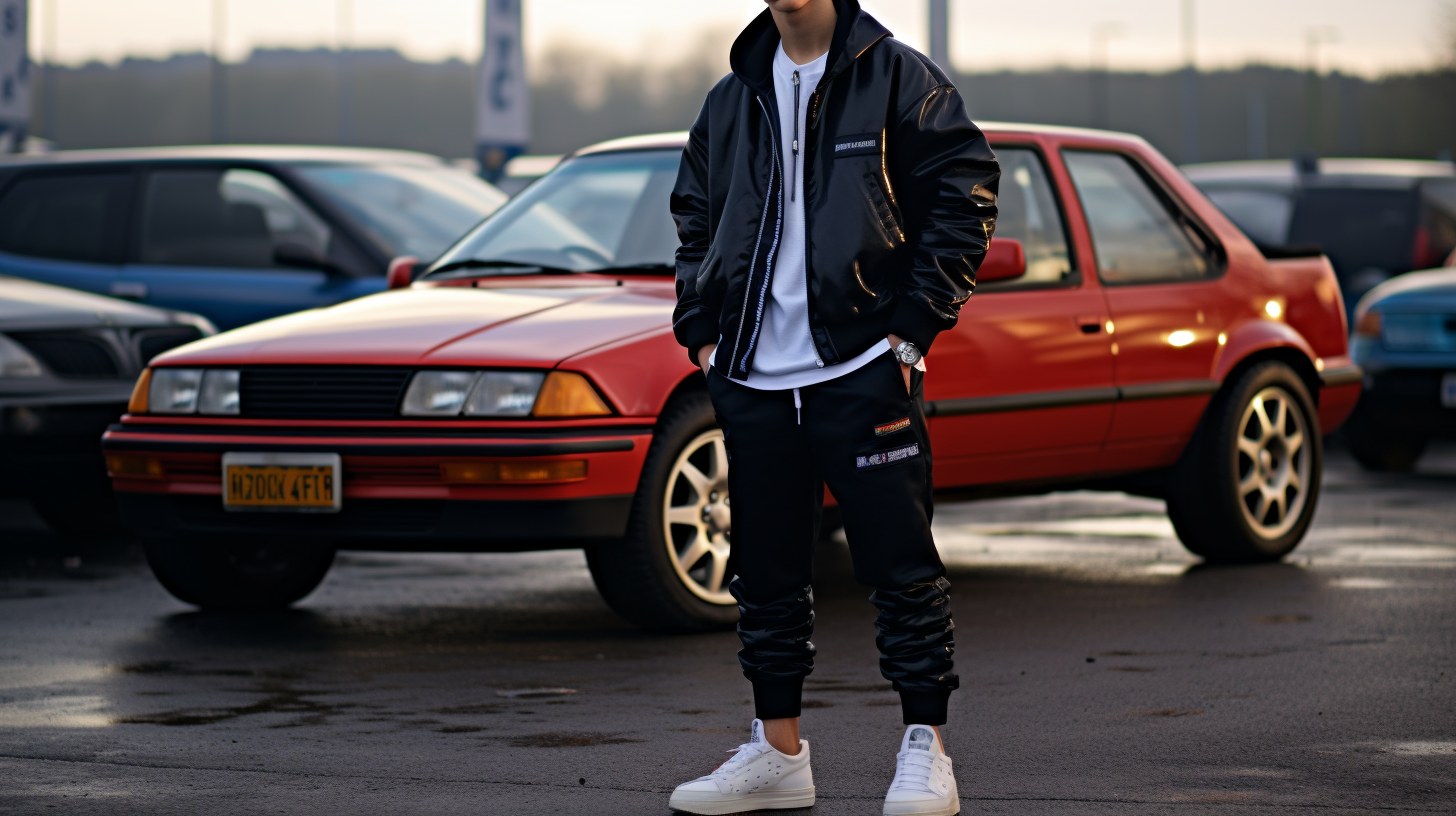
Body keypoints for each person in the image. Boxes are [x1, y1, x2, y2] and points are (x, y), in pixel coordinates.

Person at [666, 0, 999, 814]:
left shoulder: (897, 79)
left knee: (899, 567)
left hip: (860, 366)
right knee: (767, 574)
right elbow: (694, 218)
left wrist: (913, 331)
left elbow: (965, 194)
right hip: (753, 377)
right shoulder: (731, 96)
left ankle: (929, 749)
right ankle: (778, 754)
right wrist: (703, 333)